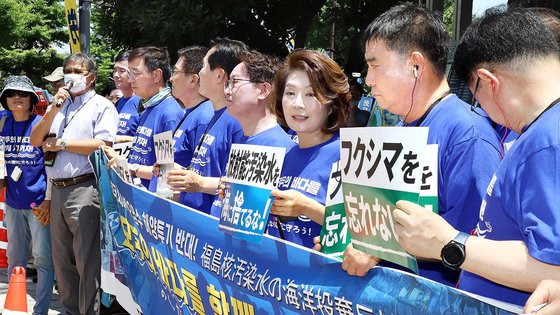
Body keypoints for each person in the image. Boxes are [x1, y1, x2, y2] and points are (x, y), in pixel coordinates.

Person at [392, 7, 560, 306]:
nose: (480, 109)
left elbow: (553, 268)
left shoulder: (546, 141)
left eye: (476, 98)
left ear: (489, 82)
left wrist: (448, 242)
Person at [335, 3, 501, 287]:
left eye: (375, 65)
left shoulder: (467, 136)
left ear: (415, 65)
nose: (369, 80)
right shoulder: (399, 131)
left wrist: (379, 251)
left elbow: (474, 243)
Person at [29, 53, 119, 314]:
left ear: (91, 77)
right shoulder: (59, 106)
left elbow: (104, 144)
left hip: (84, 188)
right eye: (68, 69)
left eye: (78, 71)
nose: (71, 75)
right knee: (62, 262)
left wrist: (64, 144)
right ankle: (70, 309)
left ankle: (89, 311)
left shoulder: (102, 106)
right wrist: (53, 110)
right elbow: (36, 140)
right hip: (57, 190)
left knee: (86, 260)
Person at [264, 49, 351, 249]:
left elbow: (369, 236)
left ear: (331, 103)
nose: (298, 104)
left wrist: (307, 208)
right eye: (290, 93)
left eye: (311, 94)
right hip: (275, 277)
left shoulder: (348, 156)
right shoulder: (284, 156)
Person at [210, 50, 295, 217]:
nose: (227, 91)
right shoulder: (243, 138)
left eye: (235, 83)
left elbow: (251, 220)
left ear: (263, 90)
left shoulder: (278, 146)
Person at [166, 38, 247, 214]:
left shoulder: (237, 122)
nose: (199, 73)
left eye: (203, 66)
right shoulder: (215, 116)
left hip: (211, 229)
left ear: (219, 75)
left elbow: (241, 189)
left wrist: (200, 183)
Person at [0, 75, 54, 315]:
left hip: (38, 203)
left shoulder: (42, 124)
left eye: (22, 94)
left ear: (32, 99)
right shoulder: (1, 121)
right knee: (15, 258)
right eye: (11, 94)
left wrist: (48, 200)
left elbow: (53, 166)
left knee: (42, 259)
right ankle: (15, 307)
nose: (17, 98)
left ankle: (41, 310)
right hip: (12, 203)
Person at [119, 46, 183, 189]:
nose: (130, 80)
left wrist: (128, 167)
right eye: (129, 73)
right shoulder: (149, 108)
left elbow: (166, 171)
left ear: (156, 75)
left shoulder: (169, 114)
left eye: (135, 73)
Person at [112, 50, 141, 143]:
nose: (116, 75)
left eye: (122, 71)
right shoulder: (118, 104)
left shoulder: (143, 102)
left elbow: (150, 139)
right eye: (115, 70)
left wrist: (125, 139)